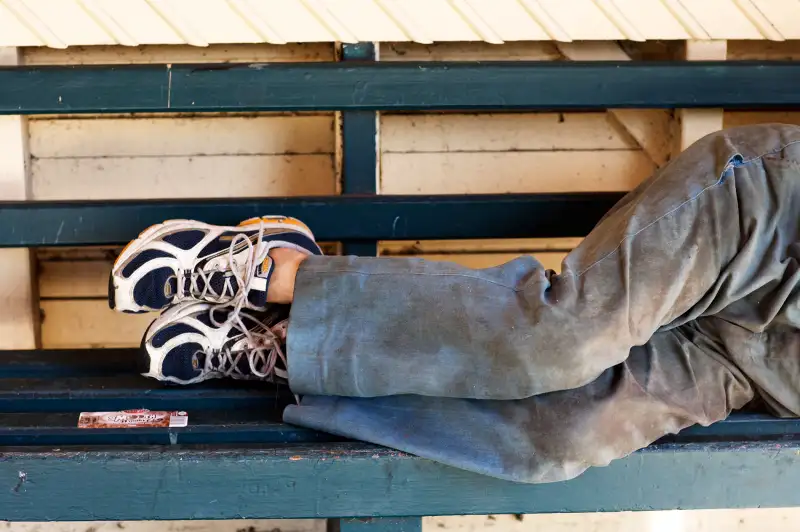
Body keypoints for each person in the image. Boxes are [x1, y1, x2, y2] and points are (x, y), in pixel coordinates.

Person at [108, 123, 800, 484]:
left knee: (559, 441)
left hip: (757, 363)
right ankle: (284, 272)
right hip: (766, 223)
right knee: (563, 340)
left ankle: (289, 347)